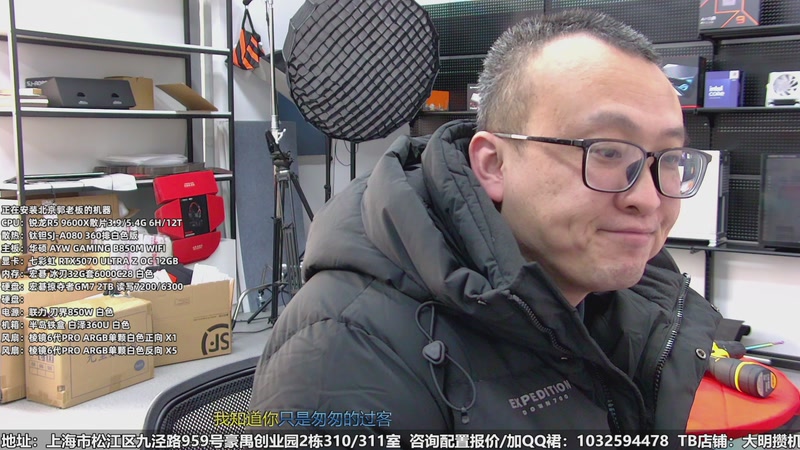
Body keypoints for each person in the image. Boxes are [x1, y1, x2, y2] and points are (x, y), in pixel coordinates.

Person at [250, 9, 722, 435]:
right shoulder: (342, 356)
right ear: (494, 165)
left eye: (670, 157)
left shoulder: (634, 299)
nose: (648, 198)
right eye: (607, 152)